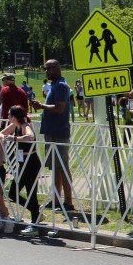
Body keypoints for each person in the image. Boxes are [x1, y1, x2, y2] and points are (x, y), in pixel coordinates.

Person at [30, 59, 74, 211]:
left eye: (49, 68)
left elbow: (59, 108)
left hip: (59, 132)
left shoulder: (61, 85)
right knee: (55, 168)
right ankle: (56, 200)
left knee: (63, 167)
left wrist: (41, 106)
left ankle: (68, 202)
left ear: (57, 68)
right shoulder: (54, 85)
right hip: (51, 132)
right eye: (45, 68)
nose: (46, 71)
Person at [0, 105, 42, 235]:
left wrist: (15, 138)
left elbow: (30, 136)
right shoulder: (14, 125)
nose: (7, 116)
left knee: (31, 193)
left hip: (31, 162)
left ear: (15, 116)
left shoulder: (25, 125)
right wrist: (4, 137)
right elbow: (1, 133)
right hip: (22, 162)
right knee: (13, 193)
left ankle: (34, 225)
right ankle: (36, 212)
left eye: (9, 114)